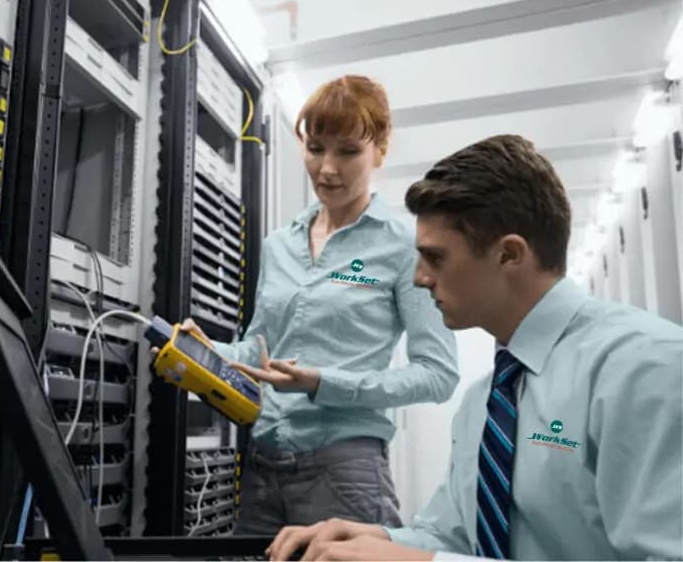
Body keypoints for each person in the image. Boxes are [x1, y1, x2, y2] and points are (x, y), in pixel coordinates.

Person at [266, 134, 683, 561]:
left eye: (436, 257)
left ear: (509, 255)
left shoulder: (644, 369)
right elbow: (452, 537)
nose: (419, 278)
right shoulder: (484, 403)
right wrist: (380, 540)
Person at [178, 75, 459, 533]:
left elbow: (438, 374)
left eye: (348, 151)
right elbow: (258, 351)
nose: (327, 168)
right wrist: (203, 350)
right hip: (262, 464)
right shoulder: (278, 245)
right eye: (315, 148)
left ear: (380, 152)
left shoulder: (403, 247)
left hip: (344, 472)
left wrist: (323, 383)